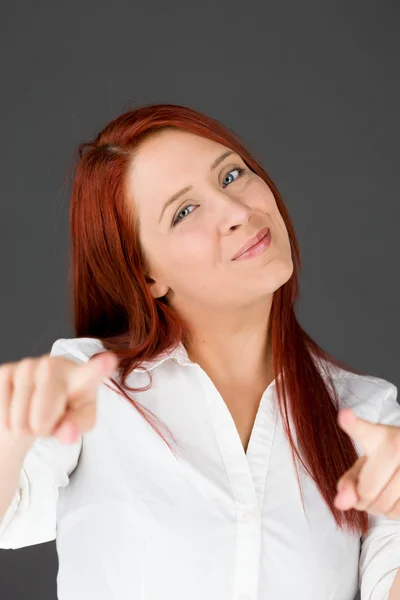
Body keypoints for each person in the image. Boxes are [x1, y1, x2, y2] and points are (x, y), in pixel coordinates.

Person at [0, 103, 399, 600]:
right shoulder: (91, 388)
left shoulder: (366, 415)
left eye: (232, 175)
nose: (237, 212)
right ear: (147, 276)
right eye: (185, 212)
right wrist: (11, 429)